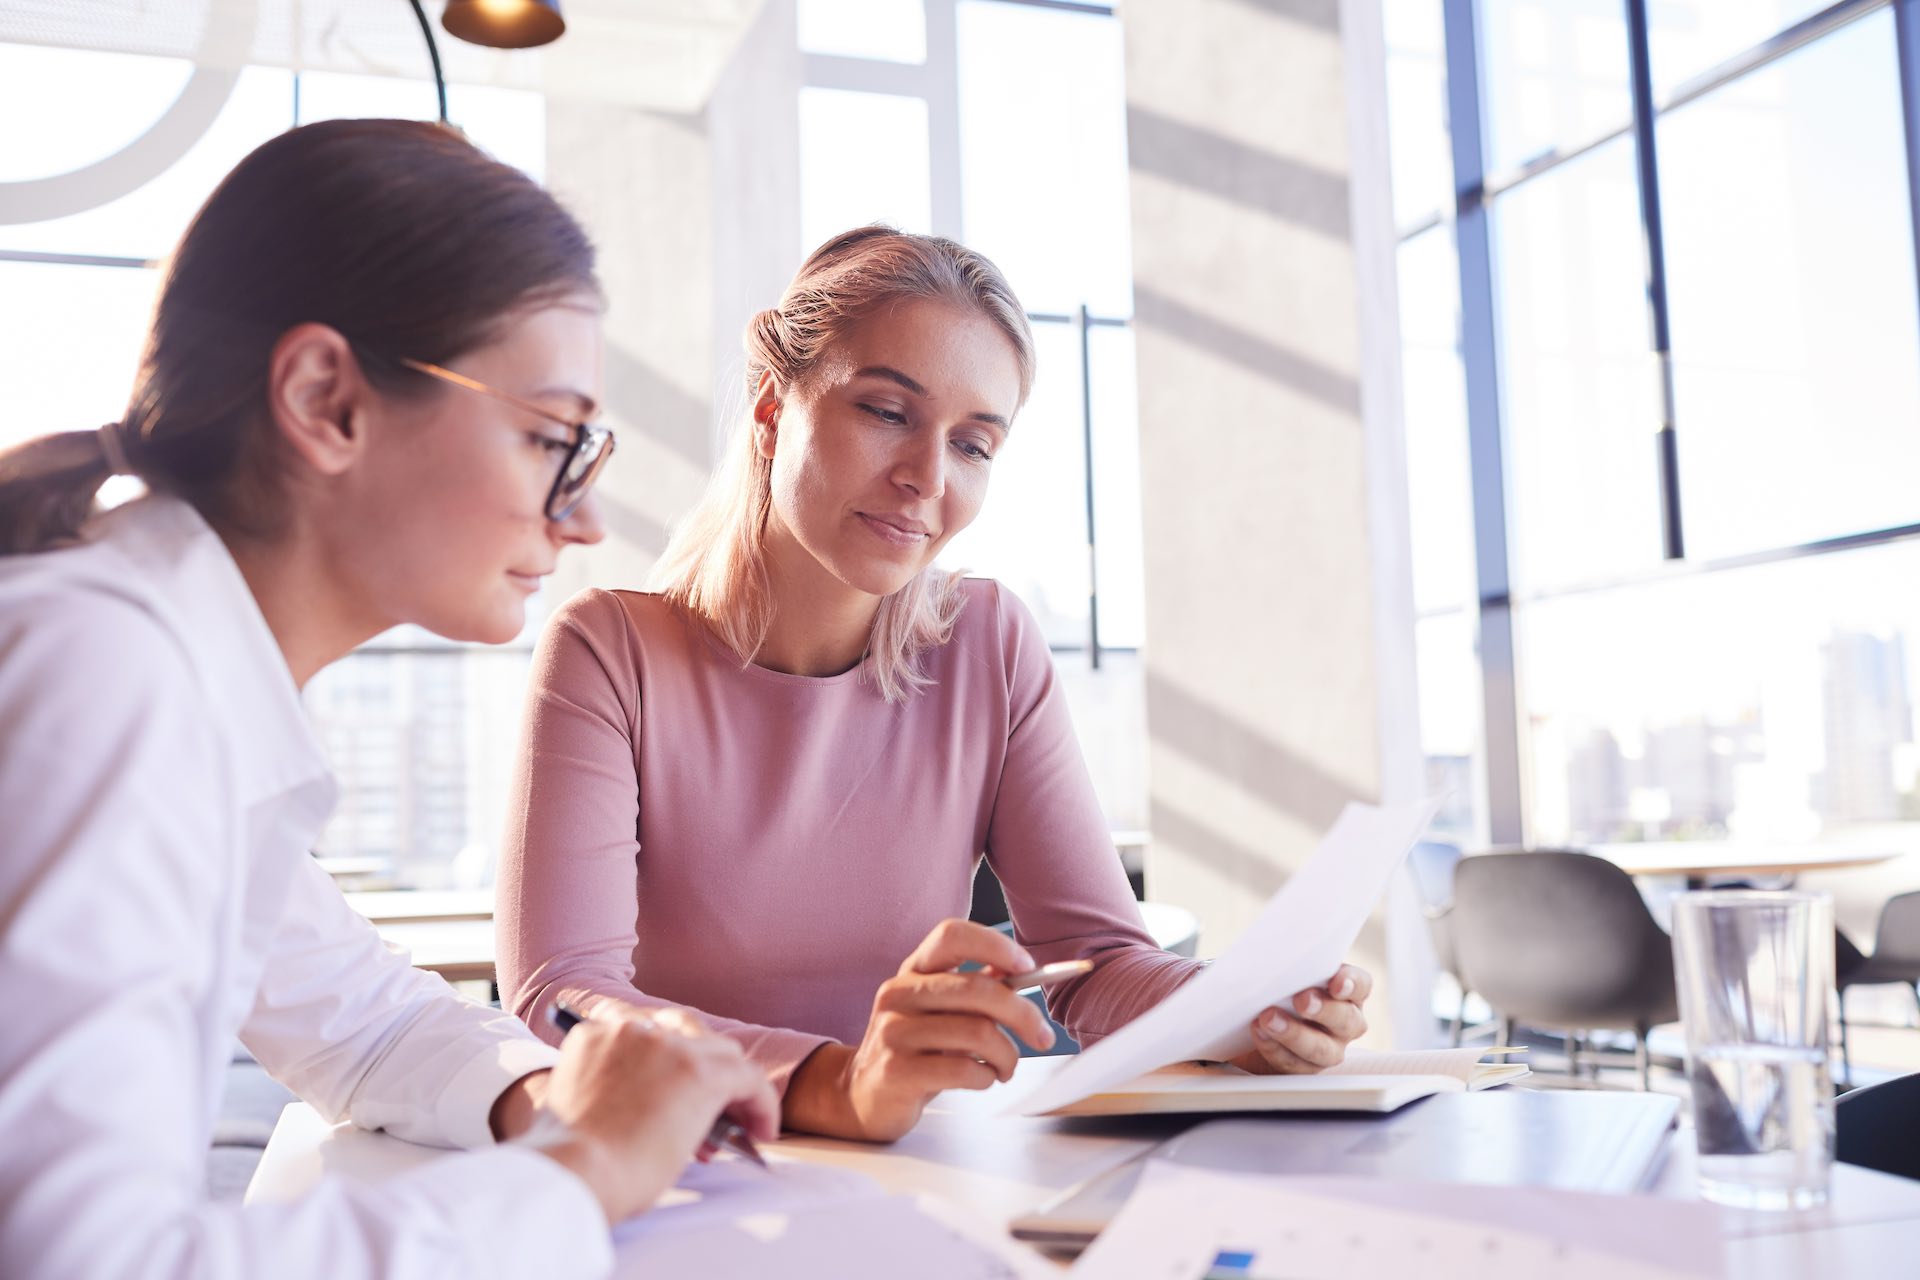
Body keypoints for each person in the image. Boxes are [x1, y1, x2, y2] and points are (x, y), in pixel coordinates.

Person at [0, 119, 777, 1280]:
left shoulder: (173, 661)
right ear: (326, 398)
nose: (583, 522)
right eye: (549, 439)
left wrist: (558, 1096)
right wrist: (583, 1171)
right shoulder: (109, 672)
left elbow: (356, 1015)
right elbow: (81, 1258)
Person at [497, 226, 1373, 1143]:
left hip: (917, 1170)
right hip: (682, 1171)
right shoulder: (608, 652)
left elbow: (1100, 962)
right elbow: (561, 999)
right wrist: (842, 1084)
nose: (925, 478)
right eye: (885, 411)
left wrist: (1254, 1009)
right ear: (770, 407)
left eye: (974, 444)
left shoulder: (986, 642)